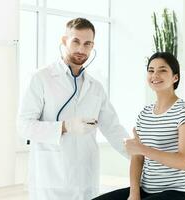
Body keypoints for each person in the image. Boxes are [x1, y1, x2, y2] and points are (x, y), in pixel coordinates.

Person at [17, 18, 129, 200]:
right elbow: (24, 126)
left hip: (86, 178)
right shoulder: (42, 78)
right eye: (76, 41)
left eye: (87, 44)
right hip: (51, 177)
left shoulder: (96, 87)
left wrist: (140, 155)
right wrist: (65, 127)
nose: (81, 49)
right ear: (64, 41)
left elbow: (113, 128)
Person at [93, 52, 185, 200]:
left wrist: (142, 149)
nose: (155, 75)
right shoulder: (145, 113)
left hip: (176, 193)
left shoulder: (183, 111)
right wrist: (134, 193)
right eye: (151, 70)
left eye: (162, 70)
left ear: (175, 77)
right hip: (145, 190)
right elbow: (137, 158)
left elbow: (183, 162)